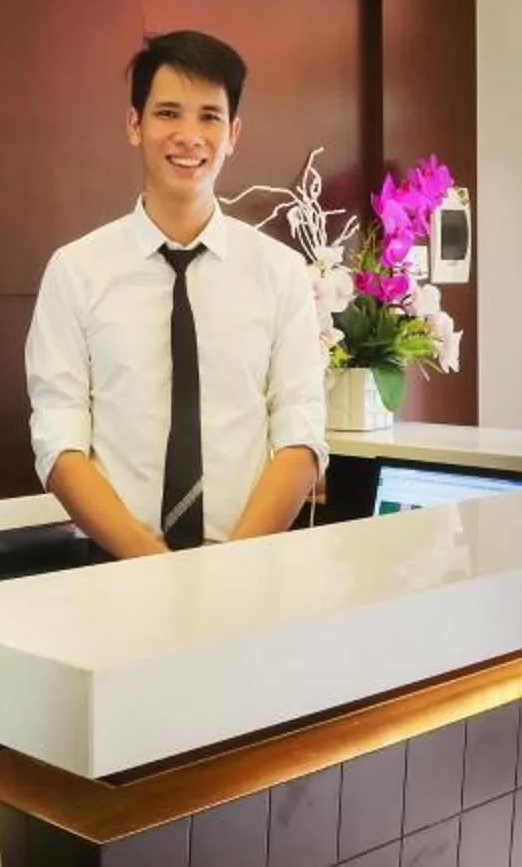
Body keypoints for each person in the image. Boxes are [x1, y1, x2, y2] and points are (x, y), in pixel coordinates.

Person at [26, 31, 327, 557]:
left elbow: (300, 433)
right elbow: (60, 439)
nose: (189, 135)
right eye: (168, 113)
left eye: (209, 117)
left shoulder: (280, 272)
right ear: (134, 124)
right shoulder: (76, 271)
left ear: (233, 133)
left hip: (250, 568)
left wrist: (229, 569)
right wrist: (154, 568)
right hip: (118, 568)